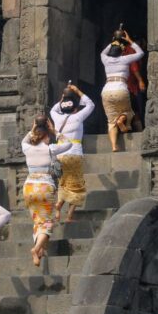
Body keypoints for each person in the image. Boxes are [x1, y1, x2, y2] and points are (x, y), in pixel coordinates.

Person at [22, 115, 72, 266]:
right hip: (45, 187)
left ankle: (40, 252)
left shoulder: (27, 148)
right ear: (46, 136)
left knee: (38, 220)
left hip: (29, 187)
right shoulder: (51, 149)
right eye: (48, 136)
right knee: (48, 222)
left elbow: (24, 140)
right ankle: (36, 248)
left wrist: (33, 128)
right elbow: (69, 144)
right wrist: (55, 131)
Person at [50, 83, 95, 223]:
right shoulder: (77, 117)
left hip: (60, 155)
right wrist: (77, 91)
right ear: (75, 108)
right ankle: (69, 215)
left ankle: (59, 206)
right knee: (77, 185)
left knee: (64, 183)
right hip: (74, 154)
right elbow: (91, 104)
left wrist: (65, 96)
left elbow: (54, 108)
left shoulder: (56, 117)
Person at [100, 28, 144, 152]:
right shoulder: (125, 59)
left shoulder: (105, 59)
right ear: (122, 51)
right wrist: (129, 41)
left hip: (106, 90)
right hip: (121, 89)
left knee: (110, 121)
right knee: (129, 112)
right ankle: (122, 119)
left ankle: (114, 146)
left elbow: (103, 52)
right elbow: (140, 53)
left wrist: (114, 40)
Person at [122, 37, 146, 131]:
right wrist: (140, 80)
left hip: (121, 84)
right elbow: (134, 67)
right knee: (136, 109)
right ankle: (140, 131)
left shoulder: (120, 51)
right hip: (131, 85)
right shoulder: (131, 49)